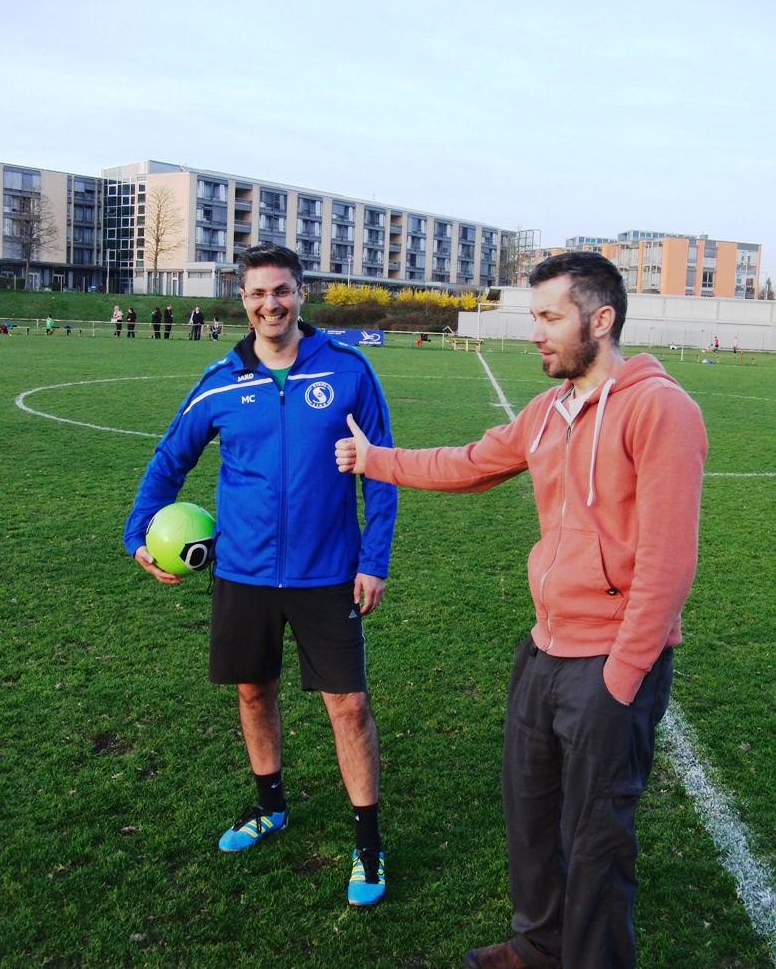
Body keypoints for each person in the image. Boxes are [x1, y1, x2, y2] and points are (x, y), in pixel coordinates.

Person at [335, 252, 708, 968]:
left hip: (609, 662)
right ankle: (539, 946)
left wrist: (623, 674)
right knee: (531, 816)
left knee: (597, 841)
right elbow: (470, 462)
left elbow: (669, 561)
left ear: (600, 319)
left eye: (549, 317)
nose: (535, 332)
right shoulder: (548, 410)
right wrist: (376, 459)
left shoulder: (659, 408)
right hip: (543, 650)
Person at [123, 243, 398, 908]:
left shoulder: (348, 369)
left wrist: (373, 560)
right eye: (257, 294)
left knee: (349, 706)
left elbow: (382, 469)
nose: (270, 304)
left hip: (327, 572)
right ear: (242, 300)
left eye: (281, 291)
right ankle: (269, 804)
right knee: (253, 692)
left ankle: (368, 843)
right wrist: (138, 534)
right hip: (243, 572)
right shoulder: (220, 380)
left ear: (301, 293)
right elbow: (170, 458)